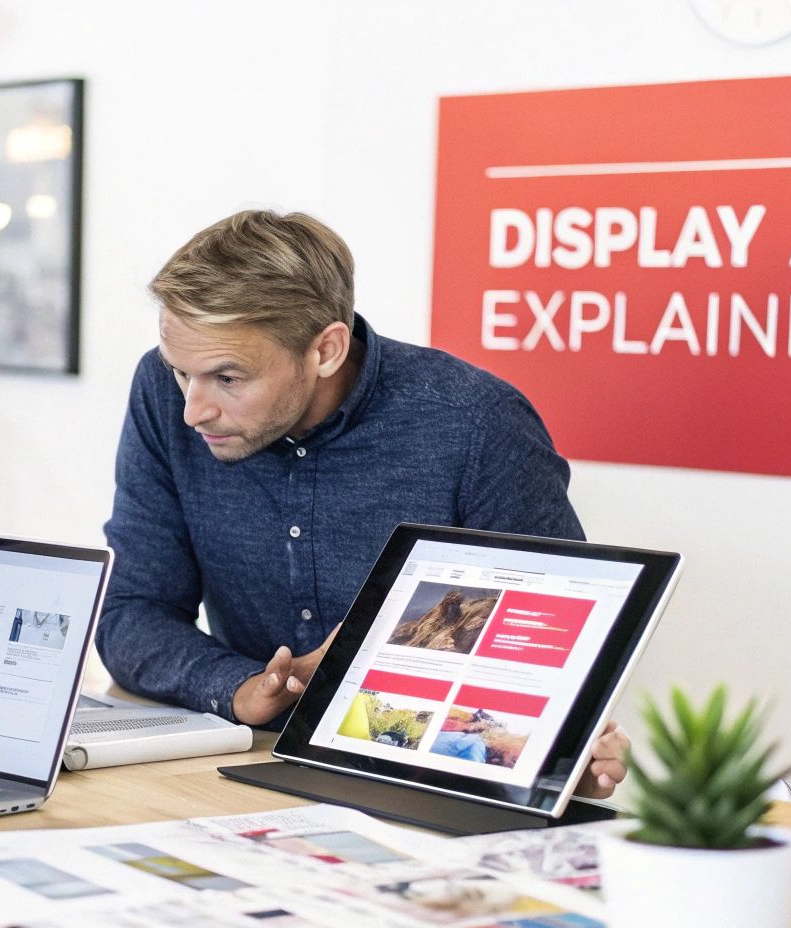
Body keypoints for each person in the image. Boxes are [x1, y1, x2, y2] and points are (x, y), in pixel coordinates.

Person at [96, 210, 628, 797]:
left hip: (429, 777)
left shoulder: (477, 425)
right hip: (244, 770)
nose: (193, 409)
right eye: (181, 372)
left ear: (325, 350)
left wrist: (553, 744)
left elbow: (551, 640)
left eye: (227, 378)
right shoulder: (163, 391)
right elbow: (133, 612)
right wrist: (241, 687)